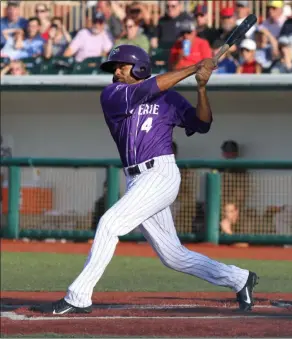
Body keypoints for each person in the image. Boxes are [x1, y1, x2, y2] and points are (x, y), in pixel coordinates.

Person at [29, 44, 258, 315]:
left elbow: (203, 124)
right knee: (173, 256)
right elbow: (148, 89)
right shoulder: (113, 94)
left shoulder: (169, 99)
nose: (115, 71)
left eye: (121, 66)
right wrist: (194, 67)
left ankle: (79, 295)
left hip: (160, 173)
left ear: (139, 67)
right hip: (137, 179)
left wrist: (201, 87)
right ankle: (240, 278)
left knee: (109, 223)